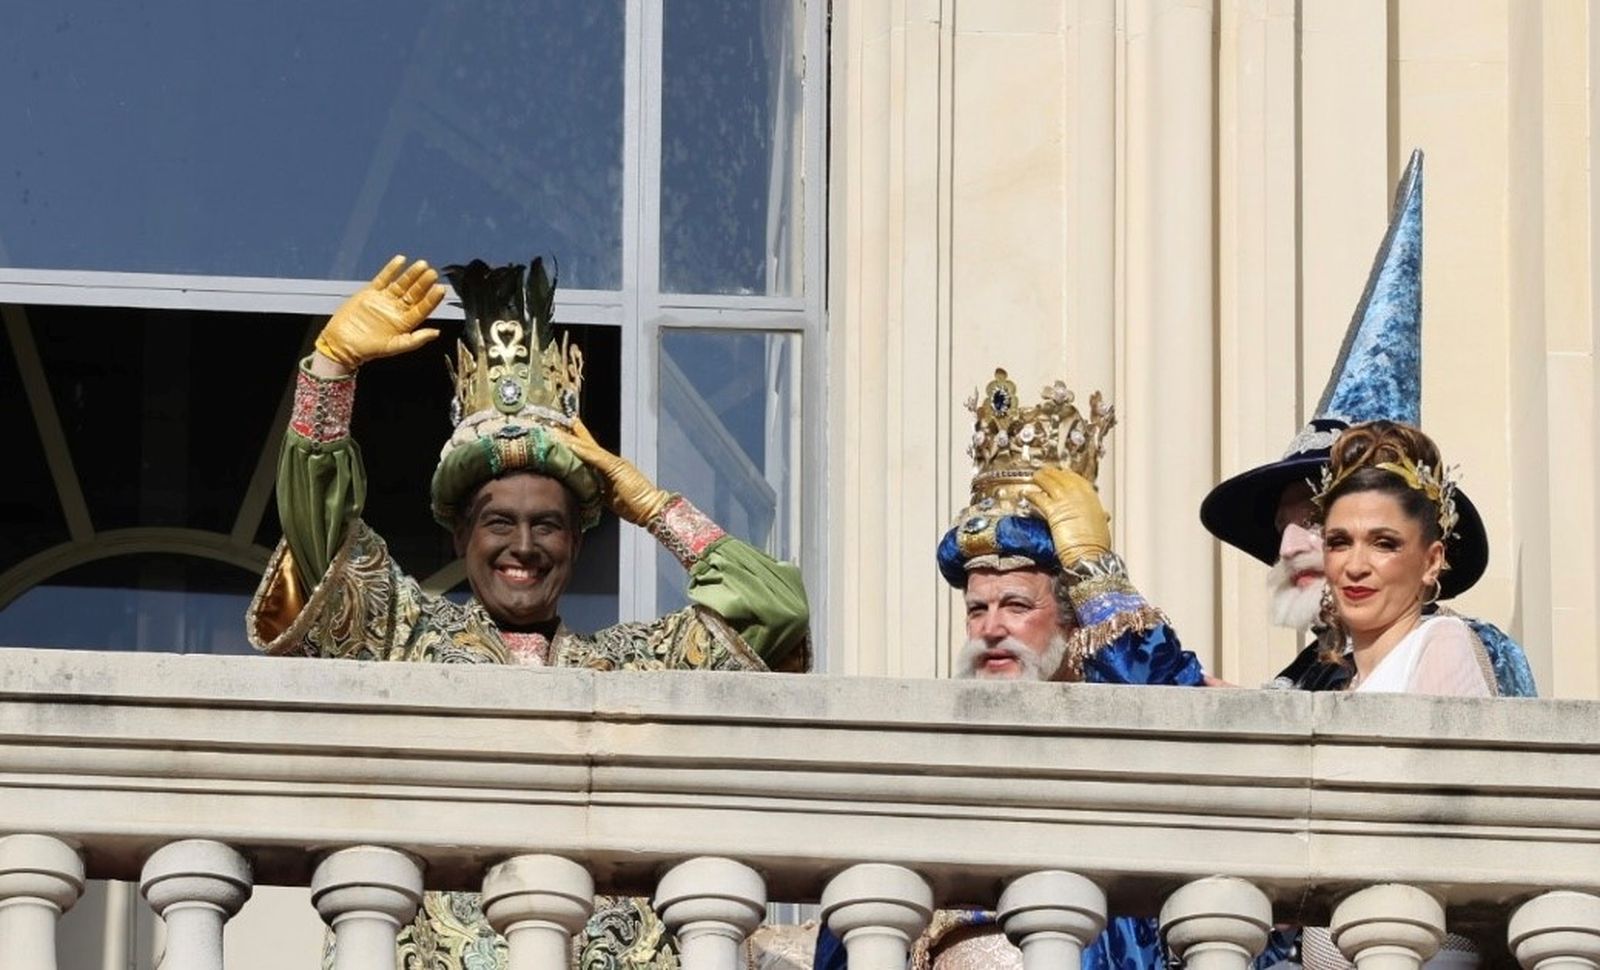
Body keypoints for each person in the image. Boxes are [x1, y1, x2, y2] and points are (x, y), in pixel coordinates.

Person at [247, 255, 810, 970]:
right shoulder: (404, 635)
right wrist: (329, 373)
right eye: (498, 523)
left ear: (576, 541)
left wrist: (651, 505)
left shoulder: (637, 665)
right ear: (460, 537)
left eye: (548, 525)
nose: (523, 546)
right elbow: (319, 540)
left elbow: (775, 607)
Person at [815, 368, 1204, 970]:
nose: (991, 627)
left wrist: (1095, 569)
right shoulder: (928, 768)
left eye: (1017, 605)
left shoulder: (1114, 743)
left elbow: (1182, 718)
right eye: (977, 609)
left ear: (1075, 622)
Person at [1200, 150, 1535, 700]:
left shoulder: (1447, 643)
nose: (1287, 547)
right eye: (1335, 536)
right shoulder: (1315, 671)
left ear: (1431, 558)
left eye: (1310, 520)